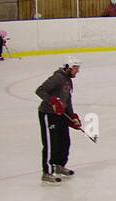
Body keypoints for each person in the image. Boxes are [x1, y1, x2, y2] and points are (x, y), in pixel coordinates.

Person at [35, 56, 82, 185]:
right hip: (49, 114)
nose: (77, 71)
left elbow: (67, 99)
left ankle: (59, 165)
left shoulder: (67, 80)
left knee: (64, 141)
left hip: (61, 115)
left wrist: (72, 116)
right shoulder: (57, 78)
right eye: (75, 68)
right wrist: (52, 101)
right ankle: (47, 172)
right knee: (51, 144)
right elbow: (40, 90)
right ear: (68, 67)